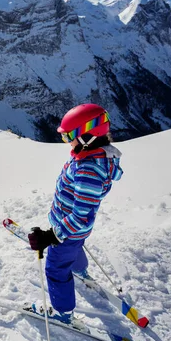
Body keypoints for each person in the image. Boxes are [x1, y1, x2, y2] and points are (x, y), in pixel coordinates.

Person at [28, 103, 123, 329]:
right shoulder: (94, 155)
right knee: (76, 246)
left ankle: (62, 313)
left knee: (55, 268)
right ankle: (79, 268)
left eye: (69, 136)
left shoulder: (88, 169)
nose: (66, 141)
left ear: (89, 136)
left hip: (67, 231)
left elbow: (81, 216)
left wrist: (51, 236)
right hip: (74, 233)